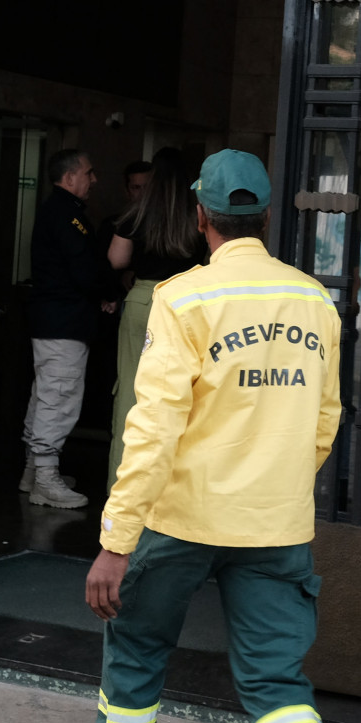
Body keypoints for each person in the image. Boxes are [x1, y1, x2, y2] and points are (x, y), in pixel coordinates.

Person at [80, 149, 361, 723]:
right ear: (266, 217)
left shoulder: (184, 299)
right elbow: (325, 420)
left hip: (181, 519)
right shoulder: (314, 300)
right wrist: (274, 481)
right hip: (275, 525)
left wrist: (116, 540)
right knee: (276, 685)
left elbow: (152, 429)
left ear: (201, 218)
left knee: (137, 653)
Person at [104, 148, 205, 488]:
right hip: (186, 302)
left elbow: (116, 259)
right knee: (181, 394)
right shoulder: (198, 213)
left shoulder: (138, 212)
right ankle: (169, 489)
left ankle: (122, 486)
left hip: (143, 300)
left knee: (131, 395)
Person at [21, 148, 113, 509]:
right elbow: (84, 269)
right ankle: (45, 478)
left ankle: (33, 472)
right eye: (88, 173)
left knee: (46, 394)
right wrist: (108, 292)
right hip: (64, 321)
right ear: (69, 177)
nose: (94, 180)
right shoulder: (66, 214)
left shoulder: (59, 211)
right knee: (58, 397)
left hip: (56, 319)